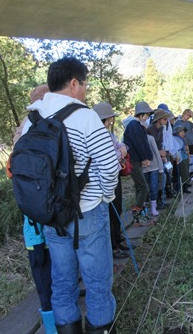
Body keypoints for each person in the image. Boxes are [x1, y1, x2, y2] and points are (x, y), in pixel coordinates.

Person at [21, 57, 119, 333]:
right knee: (98, 284)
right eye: (84, 84)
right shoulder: (85, 116)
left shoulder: (34, 118)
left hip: (52, 215)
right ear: (74, 83)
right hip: (87, 210)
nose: (85, 90)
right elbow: (109, 165)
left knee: (62, 284)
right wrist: (105, 195)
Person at [10, 84, 56, 334]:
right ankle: (54, 322)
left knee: (41, 269)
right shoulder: (51, 127)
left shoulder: (24, 131)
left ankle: (51, 324)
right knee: (53, 268)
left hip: (33, 220)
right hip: (53, 218)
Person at [92, 102, 130, 260]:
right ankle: (112, 246)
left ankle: (118, 239)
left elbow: (120, 144)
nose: (111, 122)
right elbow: (108, 157)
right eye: (110, 119)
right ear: (105, 119)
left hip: (114, 177)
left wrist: (121, 148)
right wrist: (120, 153)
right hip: (104, 181)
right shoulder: (96, 136)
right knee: (109, 212)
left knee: (117, 209)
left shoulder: (108, 134)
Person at [123, 101, 155, 224]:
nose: (147, 117)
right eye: (146, 114)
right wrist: (144, 158)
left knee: (139, 187)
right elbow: (139, 144)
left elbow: (144, 143)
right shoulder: (133, 125)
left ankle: (140, 216)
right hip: (133, 161)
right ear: (140, 114)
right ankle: (137, 215)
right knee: (143, 187)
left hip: (137, 161)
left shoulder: (138, 126)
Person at [172, 125, 191, 194]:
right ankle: (183, 188)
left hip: (184, 156)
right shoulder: (176, 139)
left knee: (185, 172)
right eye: (181, 131)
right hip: (180, 157)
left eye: (183, 131)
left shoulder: (183, 139)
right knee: (182, 173)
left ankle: (185, 186)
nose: (183, 133)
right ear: (177, 132)